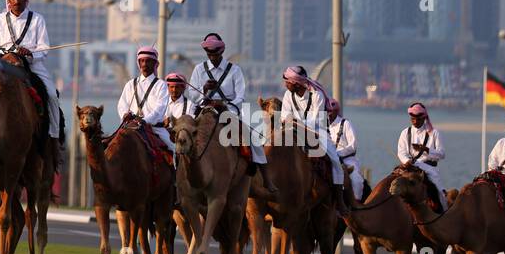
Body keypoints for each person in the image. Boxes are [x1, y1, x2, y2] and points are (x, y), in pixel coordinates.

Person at [188, 33, 274, 192]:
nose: (212, 56)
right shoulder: (199, 69)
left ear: (221, 51)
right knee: (183, 136)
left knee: (251, 138)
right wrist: (204, 89)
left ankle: (266, 179)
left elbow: (241, 96)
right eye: (209, 53)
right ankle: (178, 177)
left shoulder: (235, 70)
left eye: (215, 53)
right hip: (203, 109)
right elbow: (192, 96)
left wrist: (226, 106)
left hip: (227, 111)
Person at [0, 0, 60, 152]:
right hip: (3, 63)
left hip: (31, 64)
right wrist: (1, 55)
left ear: (27, 0)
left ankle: (53, 137)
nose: (16, 2)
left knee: (51, 95)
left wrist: (31, 54)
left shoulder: (38, 19)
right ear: (7, 0)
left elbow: (44, 48)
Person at [279, 66, 347, 215]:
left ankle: (340, 200)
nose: (285, 84)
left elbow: (316, 120)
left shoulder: (316, 95)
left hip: (318, 132)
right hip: (294, 130)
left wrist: (297, 122)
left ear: (296, 83)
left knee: (335, 160)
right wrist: (291, 123)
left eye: (287, 82)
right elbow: (284, 116)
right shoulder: (287, 95)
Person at [118, 46, 173, 151]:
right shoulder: (130, 84)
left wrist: (144, 121)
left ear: (154, 64)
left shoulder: (161, 85)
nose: (144, 64)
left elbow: (159, 109)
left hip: (154, 129)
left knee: (173, 149)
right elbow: (122, 104)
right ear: (138, 63)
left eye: (148, 61)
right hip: (131, 127)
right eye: (142, 61)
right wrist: (124, 114)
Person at [397, 101, 448, 211]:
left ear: (424, 118)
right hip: (411, 166)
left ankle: (444, 213)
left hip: (429, 168)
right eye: (413, 119)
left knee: (440, 193)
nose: (415, 121)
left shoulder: (434, 133)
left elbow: (442, 154)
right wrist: (406, 161)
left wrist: (426, 150)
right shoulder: (405, 133)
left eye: (418, 119)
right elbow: (401, 152)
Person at [327, 98, 364, 200]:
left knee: (356, 180)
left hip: (347, 160)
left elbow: (353, 146)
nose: (328, 114)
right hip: (328, 160)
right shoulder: (323, 126)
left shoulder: (345, 124)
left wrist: (337, 153)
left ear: (337, 112)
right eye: (327, 111)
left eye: (331, 112)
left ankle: (357, 202)